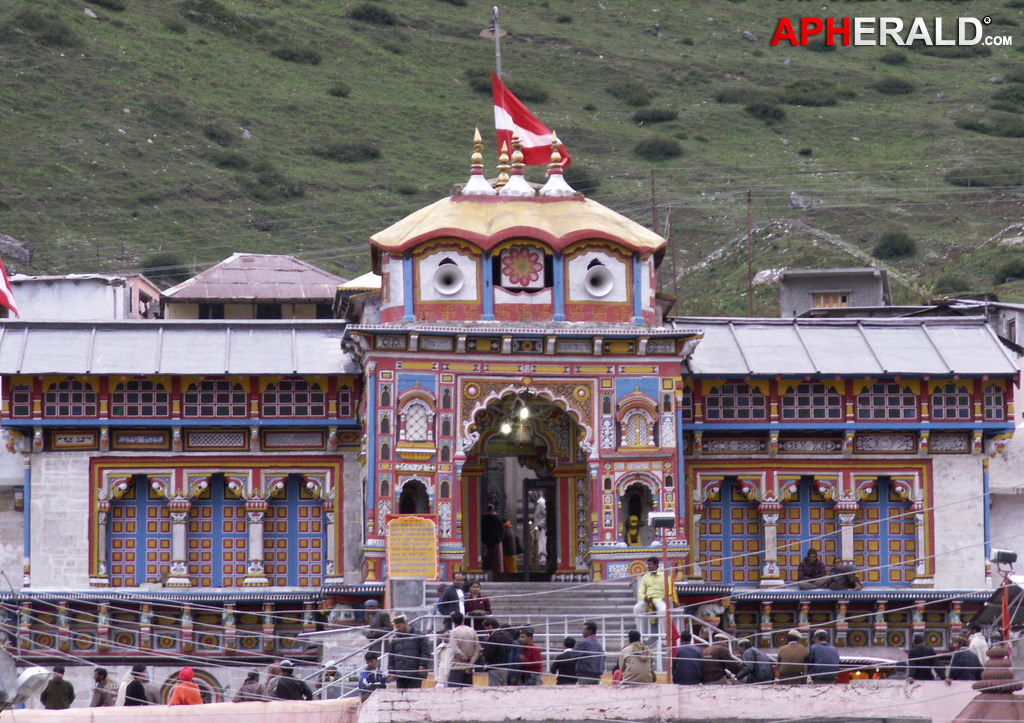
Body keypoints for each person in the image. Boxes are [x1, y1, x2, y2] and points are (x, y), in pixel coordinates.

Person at [388, 613, 432, 689]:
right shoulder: (395, 639)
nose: (398, 629)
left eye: (399, 626)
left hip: (415, 674)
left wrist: (422, 664)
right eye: (396, 627)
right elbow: (391, 657)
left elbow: (425, 651)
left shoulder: (418, 635)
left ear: (405, 623)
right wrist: (391, 671)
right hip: (400, 675)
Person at [633, 556, 668, 635]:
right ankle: (640, 632)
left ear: (656, 565)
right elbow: (640, 592)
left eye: (650, 564)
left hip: (659, 599)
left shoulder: (664, 576)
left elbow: (668, 590)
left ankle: (663, 634)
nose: (648, 566)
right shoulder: (645, 577)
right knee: (637, 608)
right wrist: (645, 598)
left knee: (663, 610)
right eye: (648, 564)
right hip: (648, 599)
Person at [448, 611, 482, 687]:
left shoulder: (454, 632)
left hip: (456, 666)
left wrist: (465, 658)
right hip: (469, 668)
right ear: (463, 619)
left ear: (452, 620)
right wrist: (470, 662)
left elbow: (455, 650)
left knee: (452, 692)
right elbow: (477, 649)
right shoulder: (472, 631)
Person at [482, 618, 514, 686]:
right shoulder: (506, 637)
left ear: (490, 626)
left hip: (495, 669)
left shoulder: (493, 638)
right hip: (505, 669)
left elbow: (488, 655)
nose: (486, 631)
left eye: (486, 628)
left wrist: (483, 653)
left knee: (495, 691)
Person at [573, 620, 606, 684]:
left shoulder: (584, 642)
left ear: (589, 631)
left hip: (585, 676)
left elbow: (573, 655)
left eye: (584, 630)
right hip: (597, 677)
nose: (582, 632)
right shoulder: (599, 644)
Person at [481, 504, 504, 572]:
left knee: (486, 559)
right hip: (495, 542)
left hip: (484, 542)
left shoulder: (482, 518)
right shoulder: (496, 519)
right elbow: (501, 531)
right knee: (495, 560)